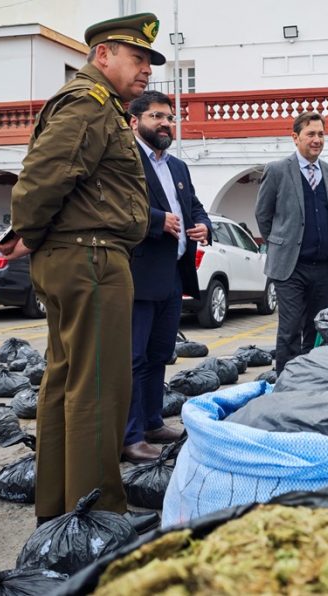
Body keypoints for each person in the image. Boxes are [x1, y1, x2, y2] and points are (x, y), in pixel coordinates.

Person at [0, 13, 165, 531]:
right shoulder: (89, 106)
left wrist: (34, 233)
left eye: (150, 62)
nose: (146, 71)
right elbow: (44, 177)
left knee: (68, 384)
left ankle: (62, 506)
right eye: (137, 58)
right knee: (99, 389)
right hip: (91, 258)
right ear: (103, 54)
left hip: (80, 254)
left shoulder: (100, 105)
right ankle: (98, 513)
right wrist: (28, 227)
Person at [123, 90, 212, 463]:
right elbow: (120, 209)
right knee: (134, 358)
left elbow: (193, 206)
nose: (164, 123)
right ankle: (129, 437)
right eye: (156, 116)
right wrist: (160, 221)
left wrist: (203, 225)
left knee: (160, 353)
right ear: (134, 122)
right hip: (139, 274)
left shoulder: (177, 166)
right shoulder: (124, 162)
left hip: (174, 274)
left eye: (169, 117)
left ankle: (152, 421)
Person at [255, 111, 328, 373]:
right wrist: (281, 242)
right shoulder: (278, 170)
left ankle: (314, 380)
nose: (317, 139)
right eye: (311, 134)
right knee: (290, 328)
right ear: (295, 137)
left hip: (323, 267)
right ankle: (287, 383)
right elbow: (263, 214)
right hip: (290, 268)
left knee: (319, 329)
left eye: (321, 134)